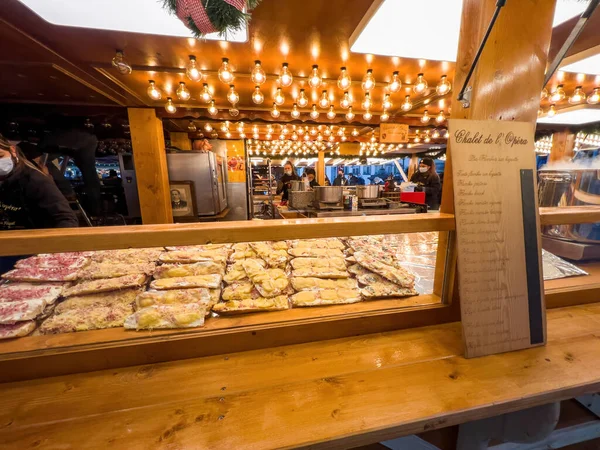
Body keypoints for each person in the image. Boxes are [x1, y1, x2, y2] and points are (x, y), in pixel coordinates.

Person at [0, 133, 78, 230]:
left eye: (0, 156)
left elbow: (66, 220)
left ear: (12, 151)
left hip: (29, 241)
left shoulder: (34, 180)